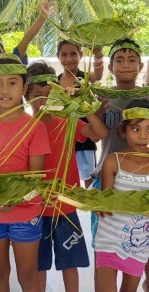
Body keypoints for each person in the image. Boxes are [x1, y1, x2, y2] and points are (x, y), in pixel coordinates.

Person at [0, 54, 51, 292]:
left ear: (24, 86)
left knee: (27, 277)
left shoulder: (35, 127)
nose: (5, 89)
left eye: (12, 82)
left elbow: (36, 181)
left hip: (26, 212)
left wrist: (14, 202)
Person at [92, 38, 149, 292]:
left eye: (132, 60)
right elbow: (95, 133)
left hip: (144, 178)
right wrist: (93, 110)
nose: (126, 65)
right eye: (119, 60)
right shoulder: (102, 97)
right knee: (105, 234)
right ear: (111, 67)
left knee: (141, 234)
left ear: (140, 65)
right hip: (108, 175)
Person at [24, 60, 107, 292]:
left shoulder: (67, 121)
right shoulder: (23, 128)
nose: (43, 100)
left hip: (66, 206)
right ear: (26, 95)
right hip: (35, 207)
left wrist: (80, 105)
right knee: (38, 265)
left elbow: (99, 133)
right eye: (37, 94)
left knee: (70, 263)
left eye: (50, 94)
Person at [56, 39, 104, 189]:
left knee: (88, 175)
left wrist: (98, 55)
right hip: (64, 136)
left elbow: (99, 74)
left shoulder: (87, 77)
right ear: (58, 57)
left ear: (81, 55)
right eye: (64, 54)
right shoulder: (56, 82)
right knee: (66, 175)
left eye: (73, 54)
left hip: (85, 135)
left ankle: (91, 206)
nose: (69, 59)